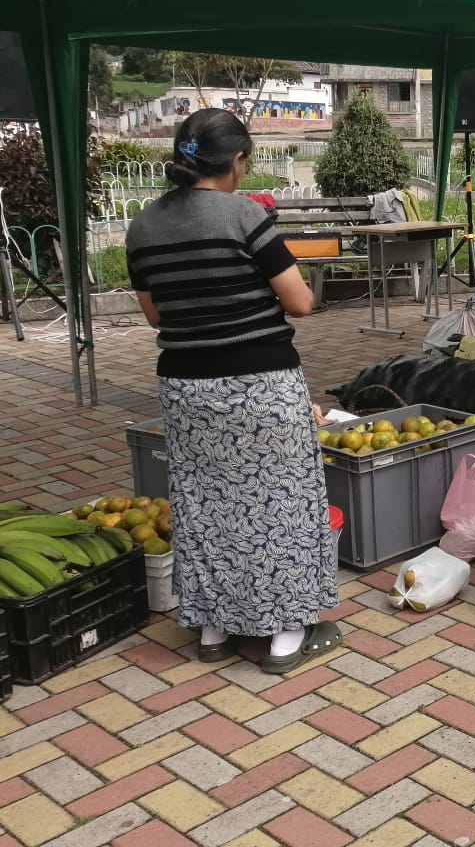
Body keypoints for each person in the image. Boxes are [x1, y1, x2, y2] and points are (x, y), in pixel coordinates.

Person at [124, 109, 340, 674]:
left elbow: (154, 315)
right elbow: (300, 302)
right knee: (281, 503)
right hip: (260, 382)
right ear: (237, 160)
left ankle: (214, 629)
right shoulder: (245, 215)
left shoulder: (143, 225)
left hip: (186, 388)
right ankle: (286, 635)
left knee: (205, 504)